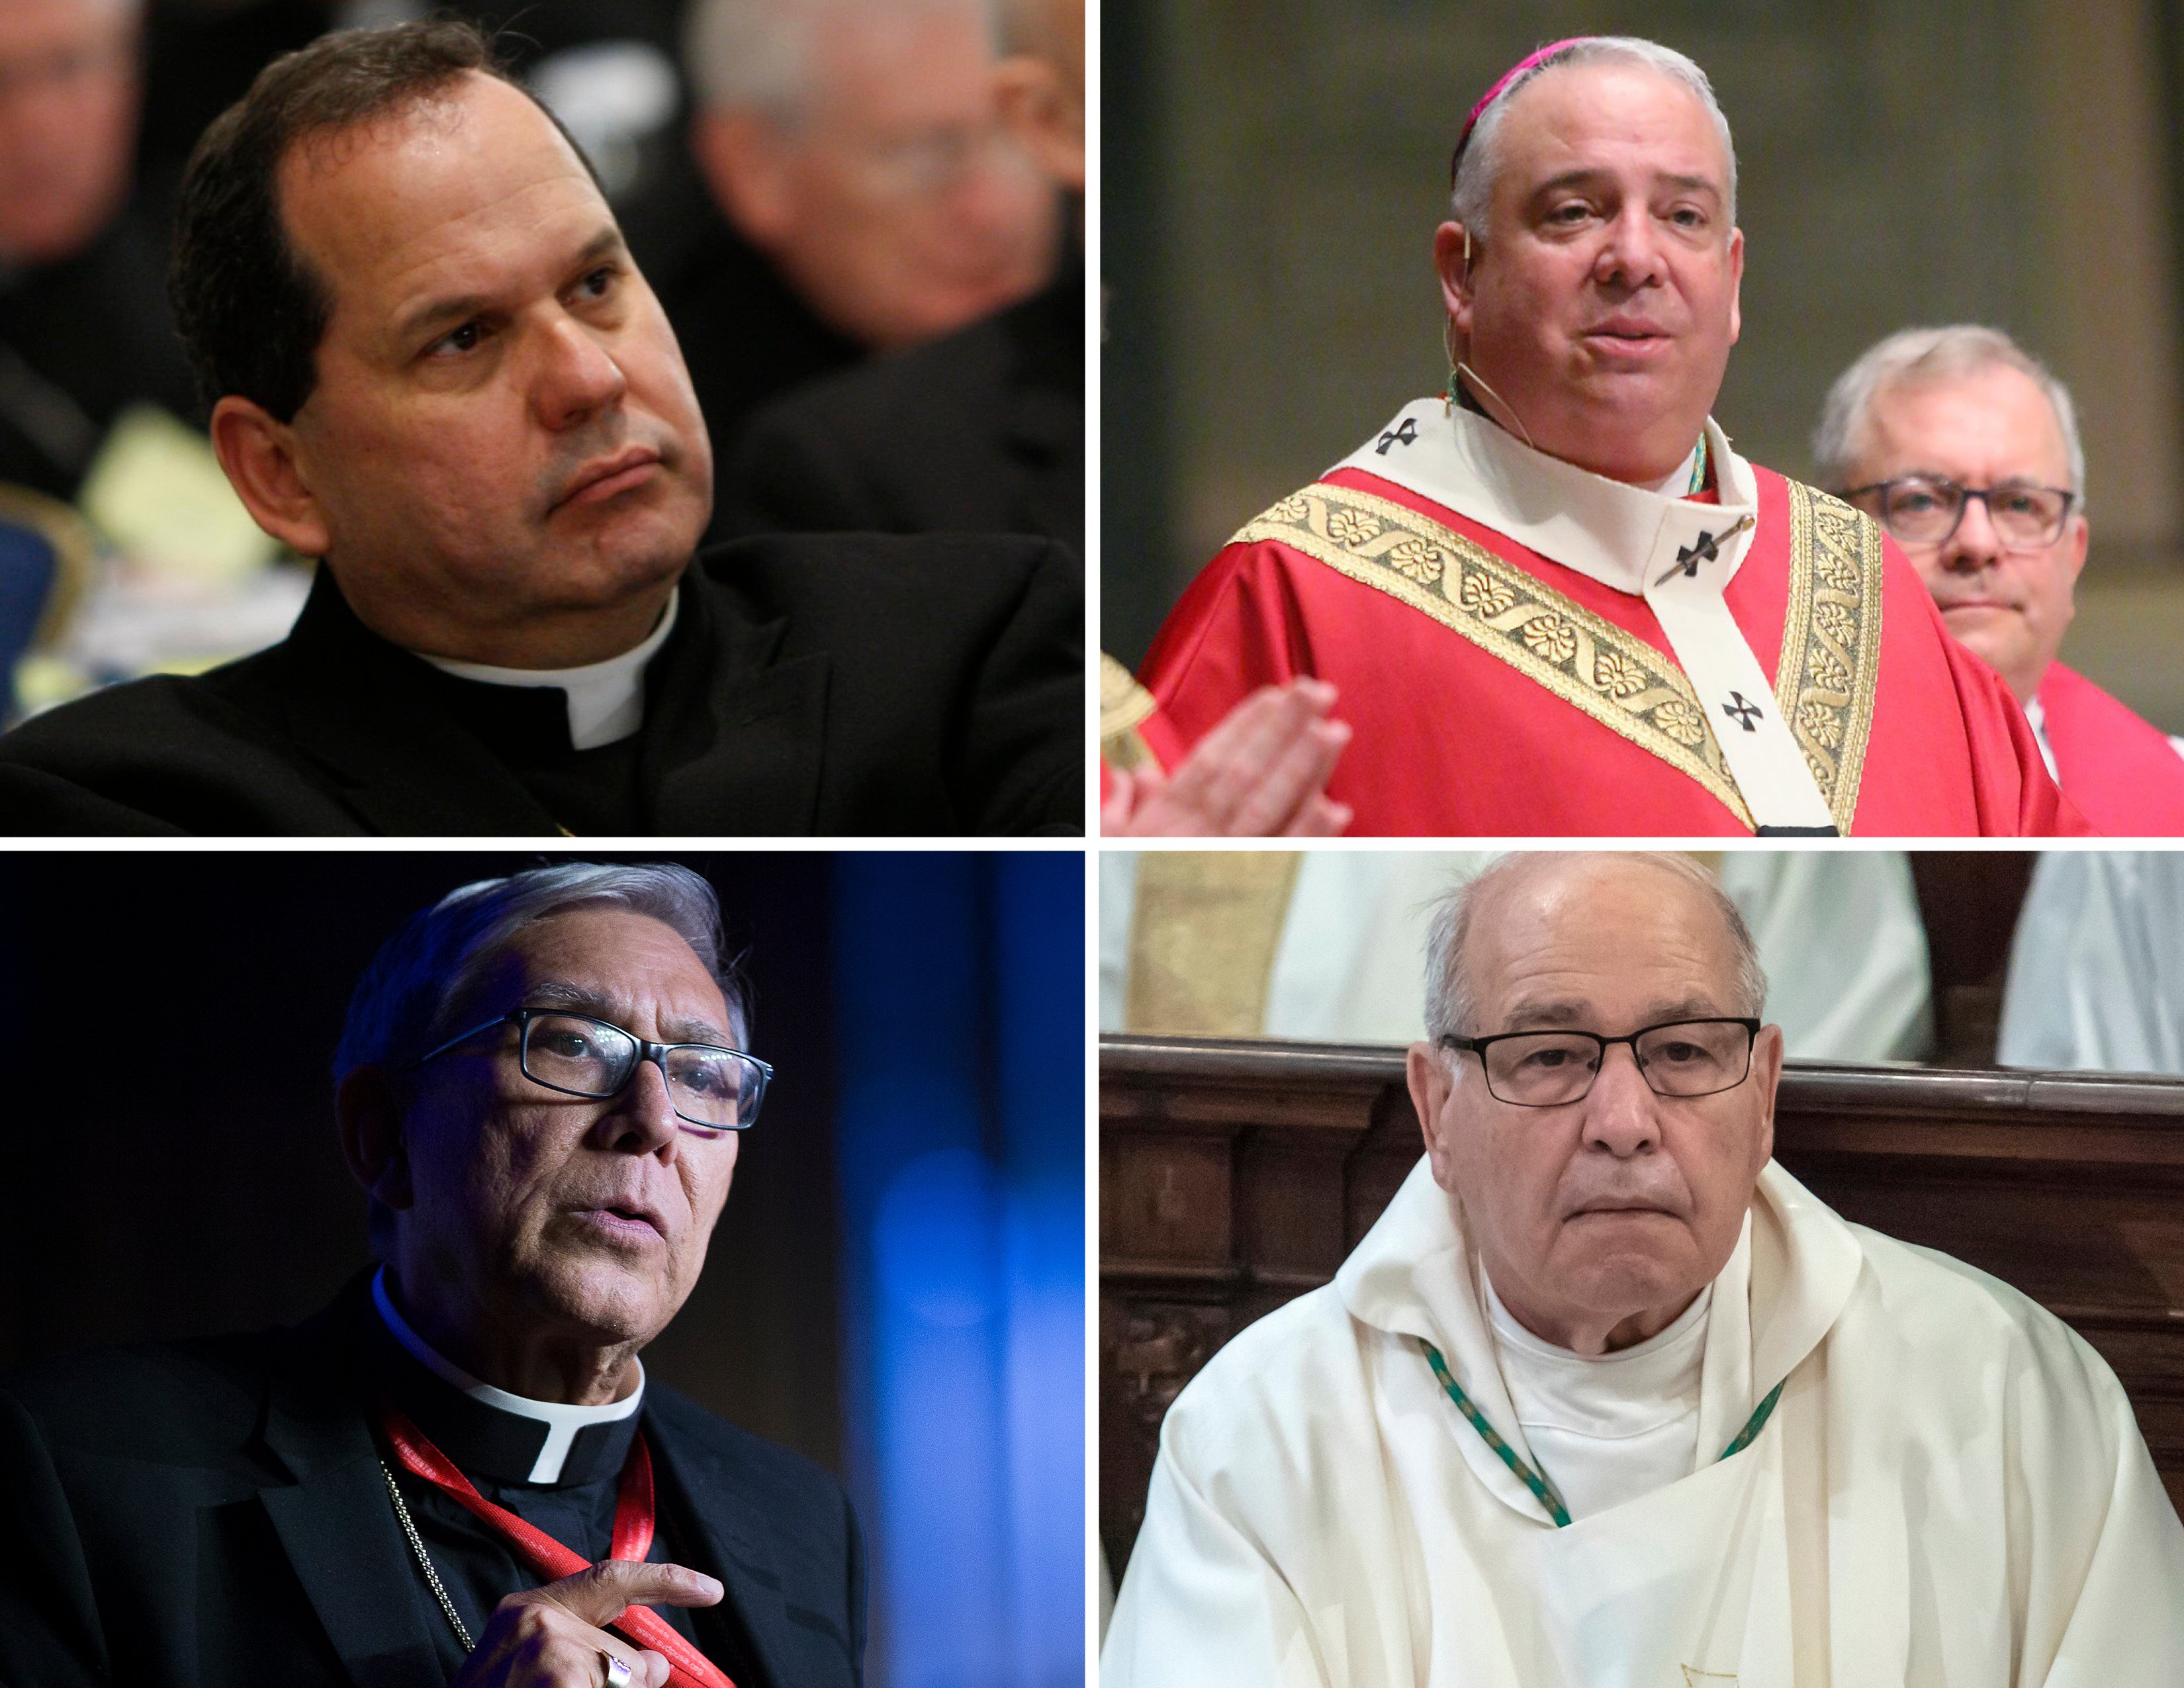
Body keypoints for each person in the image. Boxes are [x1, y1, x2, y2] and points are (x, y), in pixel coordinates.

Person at [1103, 851, 2184, 1685]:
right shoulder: (1266, 1431)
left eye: (1682, 1051)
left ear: (1762, 1094)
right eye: (1551, 1056)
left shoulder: (2001, 1392)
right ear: (1439, 1109)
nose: (1625, 1122)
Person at [0, 21, 1080, 835]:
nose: (591, 376)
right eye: (463, 338)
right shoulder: (132, 807)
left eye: (598, 283)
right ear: (281, 475)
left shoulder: (968, 651)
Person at [1134, 36, 2081, 836]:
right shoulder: (1297, 592)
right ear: (1460, 275)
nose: (1636, 259)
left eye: (1683, 216)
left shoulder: (1865, 580)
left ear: (1733, 277)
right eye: (1575, 211)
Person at [0, 861, 861, 1687]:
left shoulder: (801, 1518)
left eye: (704, 1075)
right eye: (570, 1044)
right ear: (382, 1133)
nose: (652, 1120)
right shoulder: (78, 1464)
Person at [717, 0, 1084, 557]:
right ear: (753, 166)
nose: (993, 214)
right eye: (926, 153)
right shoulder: (809, 464)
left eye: (1017, 142)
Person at [1816, 325, 2184, 834]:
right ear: (1827, 540)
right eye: (1920, 502)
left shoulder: (2171, 793)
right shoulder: (1757, 781)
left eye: (2020, 504)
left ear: (2073, 557)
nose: (1977, 543)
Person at [0, 0, 201, 500]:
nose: (36, 123)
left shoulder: (232, 273)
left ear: (132, 74)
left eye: (69, 68)